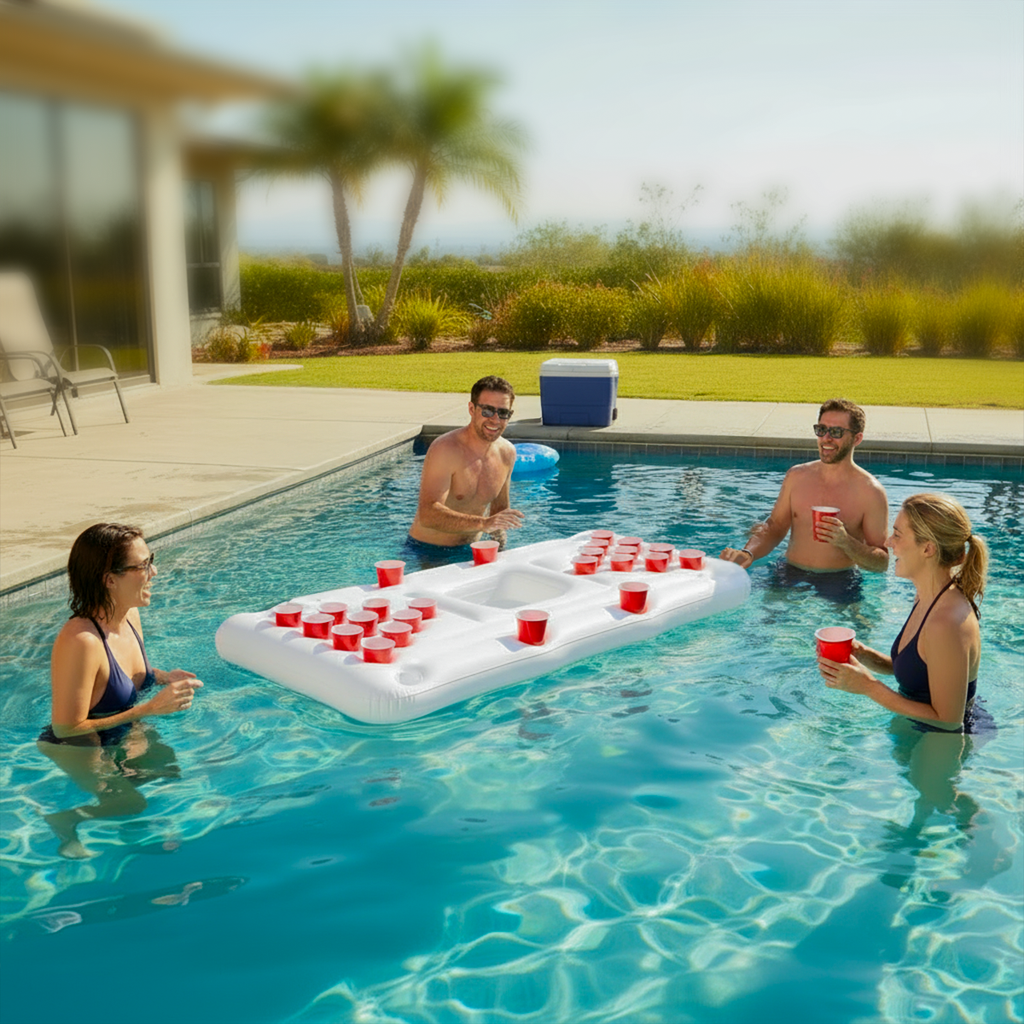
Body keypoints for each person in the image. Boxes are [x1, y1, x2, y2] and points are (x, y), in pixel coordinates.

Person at [38, 523, 203, 858]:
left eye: (151, 560)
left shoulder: (129, 616)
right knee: (130, 803)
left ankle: (132, 842)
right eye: (142, 565)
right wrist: (149, 709)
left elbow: (125, 676)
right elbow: (65, 727)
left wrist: (161, 677)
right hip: (77, 743)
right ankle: (65, 818)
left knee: (170, 770)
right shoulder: (81, 640)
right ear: (109, 580)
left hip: (121, 729)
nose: (154, 572)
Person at [818, 493, 989, 734]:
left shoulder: (946, 622)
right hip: (919, 732)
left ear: (927, 548)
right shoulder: (927, 597)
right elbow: (920, 670)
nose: (889, 543)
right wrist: (864, 655)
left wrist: (868, 686)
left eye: (897, 535)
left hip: (941, 742)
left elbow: (949, 721)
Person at [721, 398, 889, 576]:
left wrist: (846, 542)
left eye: (836, 432)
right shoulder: (796, 476)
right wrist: (748, 553)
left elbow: (882, 563)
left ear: (857, 438)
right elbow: (775, 527)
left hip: (839, 581)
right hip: (789, 572)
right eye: (821, 430)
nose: (826, 438)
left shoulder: (870, 492)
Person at [407, 375, 524, 560]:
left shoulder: (507, 453)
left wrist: (501, 552)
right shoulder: (446, 449)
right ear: (472, 409)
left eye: (503, 413)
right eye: (487, 411)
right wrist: (483, 524)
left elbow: (499, 513)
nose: (495, 420)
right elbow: (428, 515)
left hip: (472, 550)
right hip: (429, 551)